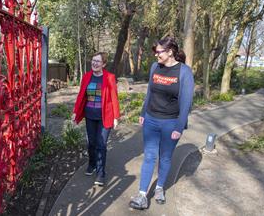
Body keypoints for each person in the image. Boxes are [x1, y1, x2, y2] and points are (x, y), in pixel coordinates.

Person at [129, 37, 194, 210]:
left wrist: (179, 127)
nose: (156, 55)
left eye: (159, 52)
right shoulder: (154, 67)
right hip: (151, 119)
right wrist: (143, 112)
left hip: (170, 123)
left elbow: (186, 102)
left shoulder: (184, 72)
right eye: (155, 52)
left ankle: (159, 188)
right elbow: (150, 91)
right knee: (149, 156)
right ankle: (142, 195)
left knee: (165, 157)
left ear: (170, 52)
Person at [72, 52, 120, 186]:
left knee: (101, 144)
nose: (94, 63)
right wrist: (76, 112)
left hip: (105, 116)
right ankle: (92, 163)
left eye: (98, 61)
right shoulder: (87, 76)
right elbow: (81, 96)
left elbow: (114, 97)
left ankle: (100, 173)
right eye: (93, 60)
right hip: (90, 116)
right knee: (91, 143)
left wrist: (116, 116)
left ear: (103, 64)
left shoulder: (109, 77)